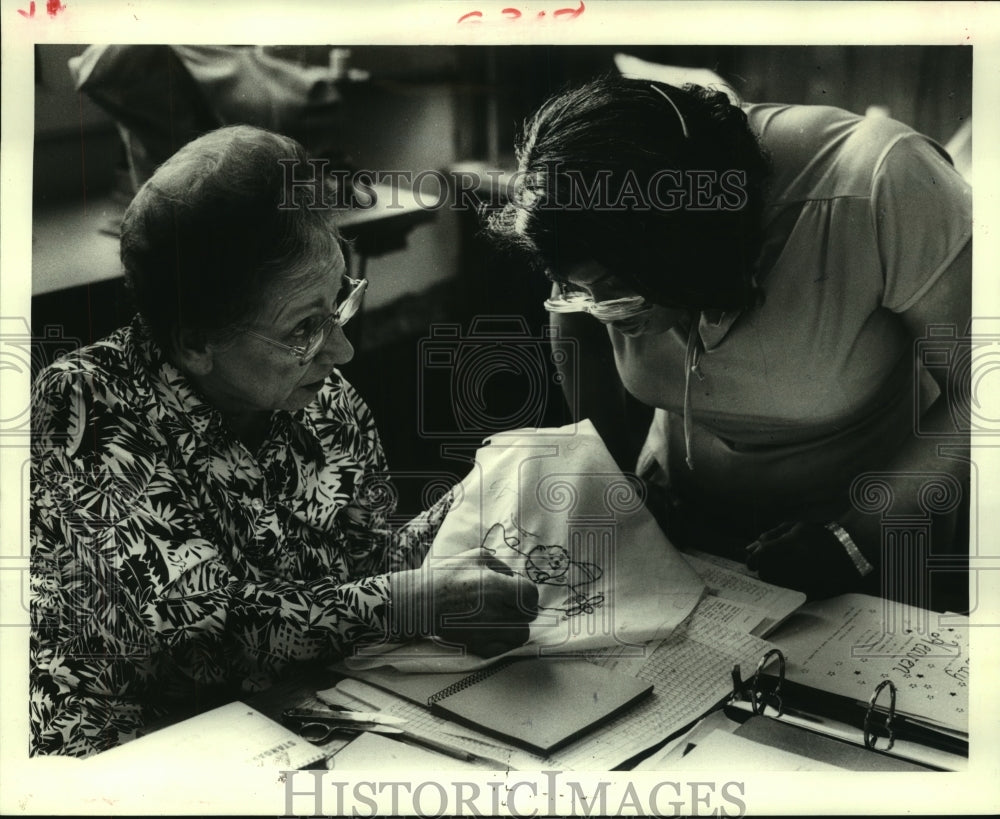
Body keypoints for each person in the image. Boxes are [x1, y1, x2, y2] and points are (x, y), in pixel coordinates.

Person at [30, 125, 538, 757]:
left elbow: (363, 569)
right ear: (195, 342)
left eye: (340, 306)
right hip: (142, 748)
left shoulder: (323, 400)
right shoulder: (83, 405)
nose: (342, 350)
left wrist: (487, 500)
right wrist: (414, 601)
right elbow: (189, 640)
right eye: (303, 327)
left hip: (305, 711)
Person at [488, 75, 971, 605]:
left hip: (872, 519)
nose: (601, 309)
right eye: (581, 290)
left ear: (691, 247)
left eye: (618, 290)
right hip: (680, 509)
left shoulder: (880, 180)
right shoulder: (592, 199)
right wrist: (615, 477)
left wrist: (855, 538)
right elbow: (575, 321)